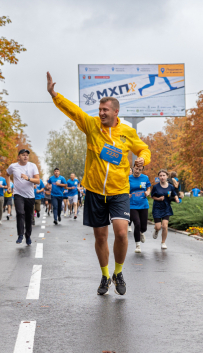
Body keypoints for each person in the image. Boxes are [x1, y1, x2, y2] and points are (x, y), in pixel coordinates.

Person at [47, 72, 151, 296]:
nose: (101, 113)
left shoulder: (127, 133)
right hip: (94, 191)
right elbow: (74, 111)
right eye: (100, 110)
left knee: (122, 234)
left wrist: (143, 157)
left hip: (119, 191)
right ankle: (105, 276)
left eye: (105, 110)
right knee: (100, 237)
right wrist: (55, 95)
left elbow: (143, 148)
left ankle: (118, 272)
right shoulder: (92, 126)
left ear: (116, 112)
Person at [6, 149, 40, 245]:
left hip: (30, 196)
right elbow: (7, 175)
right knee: (20, 213)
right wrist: (9, 186)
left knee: (29, 217)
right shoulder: (13, 166)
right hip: (18, 194)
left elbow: (38, 181)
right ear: (18, 157)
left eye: (27, 155)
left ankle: (28, 236)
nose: (25, 157)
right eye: (23, 155)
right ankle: (20, 235)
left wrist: (28, 178)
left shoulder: (32, 166)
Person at [151, 169, 180, 249]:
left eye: (164, 175)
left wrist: (177, 198)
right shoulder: (156, 187)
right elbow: (152, 196)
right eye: (160, 176)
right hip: (157, 208)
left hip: (166, 208)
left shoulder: (170, 186)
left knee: (164, 226)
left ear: (167, 176)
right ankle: (156, 230)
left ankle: (163, 242)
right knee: (158, 227)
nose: (162, 177)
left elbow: (174, 194)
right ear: (159, 177)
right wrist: (159, 199)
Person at [129, 164, 151, 253]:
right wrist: (127, 194)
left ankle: (142, 232)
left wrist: (147, 192)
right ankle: (138, 245)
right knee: (137, 224)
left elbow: (149, 188)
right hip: (132, 204)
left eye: (140, 170)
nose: (137, 171)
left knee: (144, 227)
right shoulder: (128, 178)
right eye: (136, 169)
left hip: (143, 204)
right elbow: (124, 189)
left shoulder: (145, 178)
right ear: (133, 168)